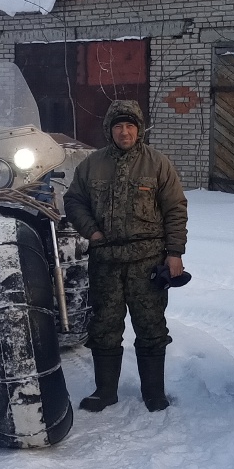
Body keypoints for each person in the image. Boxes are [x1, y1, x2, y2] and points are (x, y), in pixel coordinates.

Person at [64, 100, 189, 412]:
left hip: (148, 261)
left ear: (139, 129)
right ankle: (105, 392)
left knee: (151, 326)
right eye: (118, 126)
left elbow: (175, 210)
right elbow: (74, 200)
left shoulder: (158, 164)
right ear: (110, 130)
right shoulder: (91, 165)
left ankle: (154, 394)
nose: (124, 131)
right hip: (105, 261)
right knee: (104, 326)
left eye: (130, 125)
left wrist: (174, 253)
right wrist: (92, 231)